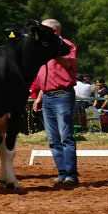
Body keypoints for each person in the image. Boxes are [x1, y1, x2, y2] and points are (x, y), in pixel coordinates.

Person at [29, 17, 80, 189]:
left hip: (62, 95)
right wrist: (39, 97)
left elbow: (68, 64)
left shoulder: (67, 45)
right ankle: (62, 173)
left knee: (65, 136)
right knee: (53, 138)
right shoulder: (43, 48)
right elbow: (44, 76)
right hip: (48, 96)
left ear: (54, 31)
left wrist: (54, 51)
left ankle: (71, 175)